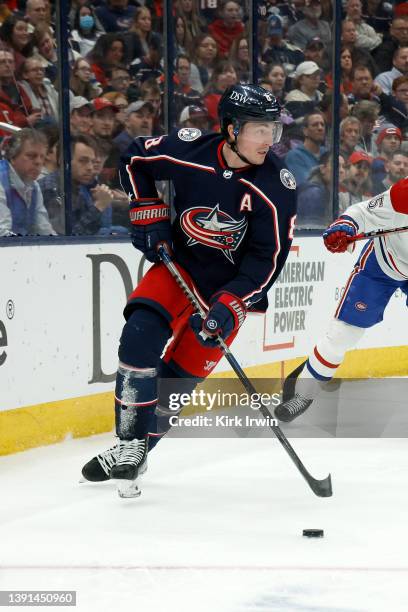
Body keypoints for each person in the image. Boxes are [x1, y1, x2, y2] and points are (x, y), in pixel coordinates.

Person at [80, 84, 297, 496]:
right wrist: (150, 216)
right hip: (179, 269)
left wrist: (233, 302)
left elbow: (268, 259)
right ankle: (128, 444)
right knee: (138, 338)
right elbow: (135, 160)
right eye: (260, 130)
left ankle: (138, 449)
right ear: (232, 128)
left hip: (228, 294)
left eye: (274, 130)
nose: (269, 140)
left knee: (173, 388)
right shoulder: (189, 149)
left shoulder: (276, 186)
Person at [275, 177, 408, 423]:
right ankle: (304, 392)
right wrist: (345, 225)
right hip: (383, 264)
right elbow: (361, 213)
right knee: (342, 334)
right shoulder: (404, 193)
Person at [0, 128, 56, 236]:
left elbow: (44, 229)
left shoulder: (34, 186)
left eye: (42, 157)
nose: (39, 162)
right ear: (12, 157)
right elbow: (2, 233)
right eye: (31, 156)